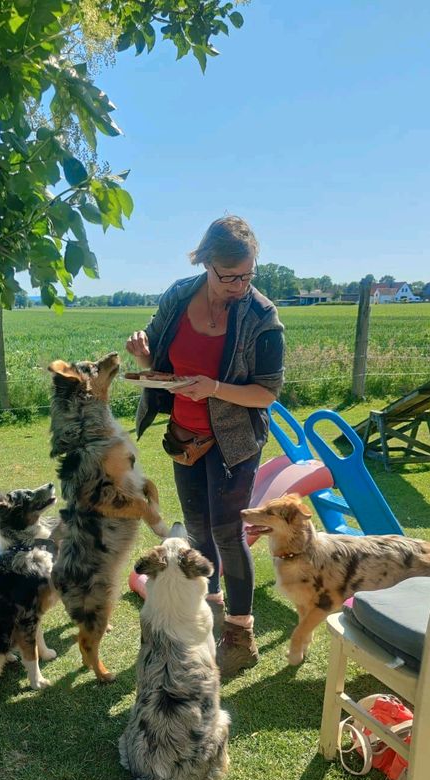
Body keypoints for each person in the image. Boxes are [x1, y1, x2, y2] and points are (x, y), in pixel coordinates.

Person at [125, 215, 285, 677]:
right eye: (229, 275)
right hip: (185, 432)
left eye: (247, 275)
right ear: (205, 262)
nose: (239, 285)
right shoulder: (178, 295)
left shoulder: (262, 317)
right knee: (196, 530)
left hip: (234, 441)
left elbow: (266, 393)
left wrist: (213, 387)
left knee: (227, 533)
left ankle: (239, 635)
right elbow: (162, 361)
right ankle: (208, 620)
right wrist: (144, 356)